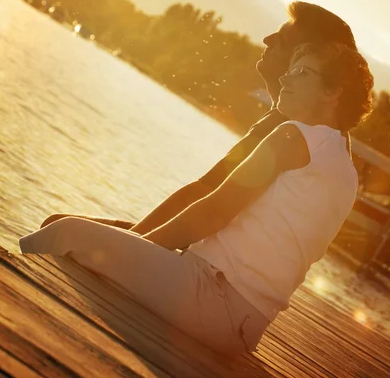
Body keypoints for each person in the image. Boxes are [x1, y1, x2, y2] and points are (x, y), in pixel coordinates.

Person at [19, 27, 374, 358]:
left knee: (66, 232)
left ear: (333, 91)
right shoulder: (345, 171)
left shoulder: (293, 136)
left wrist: (137, 246)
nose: (285, 77)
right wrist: (130, 246)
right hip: (244, 325)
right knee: (73, 228)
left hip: (211, 295)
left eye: (301, 72)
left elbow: (214, 210)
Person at [39, 1, 358, 233]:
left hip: (205, 268)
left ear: (303, 58)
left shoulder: (289, 129)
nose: (267, 41)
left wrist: (132, 241)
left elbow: (201, 193)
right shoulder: (328, 137)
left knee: (60, 228)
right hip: (210, 262)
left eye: (282, 39)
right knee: (69, 227)